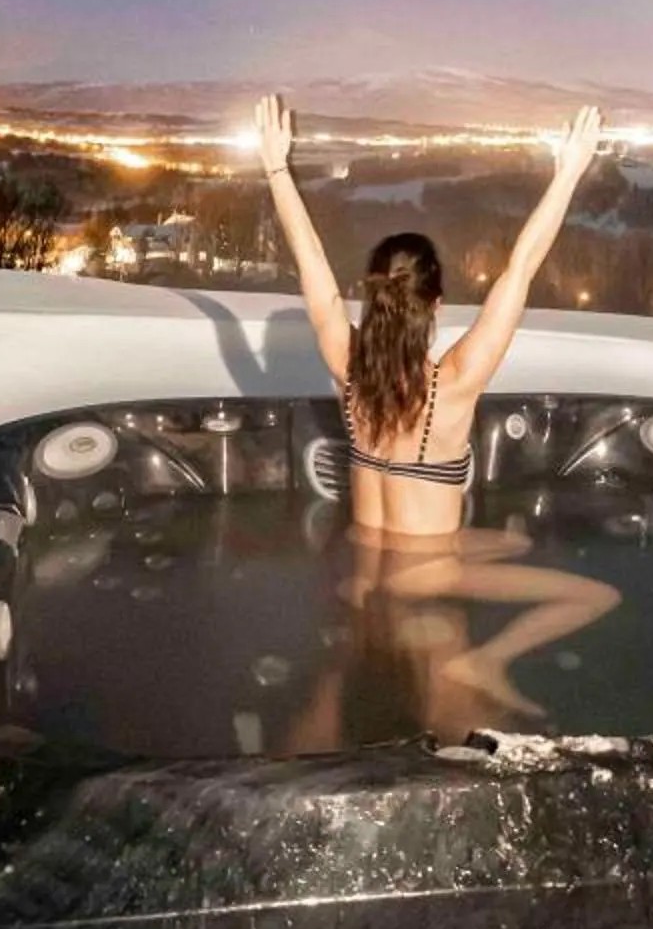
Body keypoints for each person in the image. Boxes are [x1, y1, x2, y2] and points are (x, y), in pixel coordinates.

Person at [254, 92, 619, 733]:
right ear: (437, 303)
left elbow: (309, 268)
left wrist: (277, 170)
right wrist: (568, 171)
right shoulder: (452, 385)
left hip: (362, 566)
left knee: (510, 542)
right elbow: (520, 269)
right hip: (428, 576)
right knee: (593, 597)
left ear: (370, 295)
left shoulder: (347, 367)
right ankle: (484, 662)